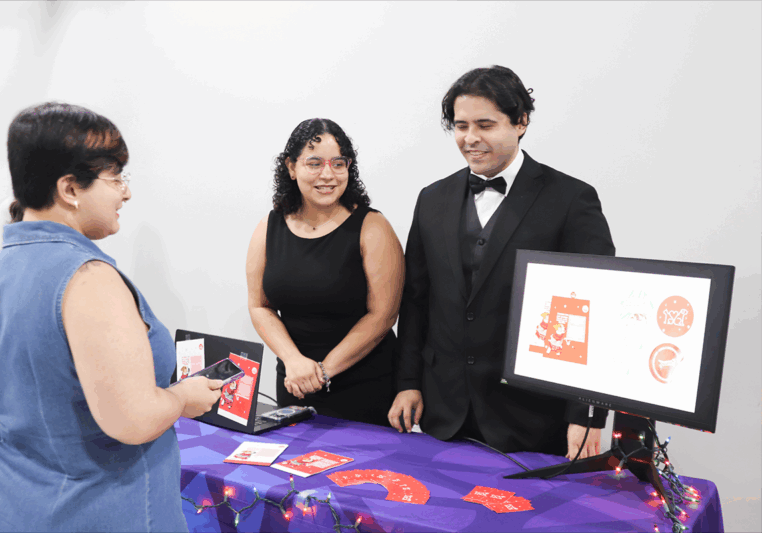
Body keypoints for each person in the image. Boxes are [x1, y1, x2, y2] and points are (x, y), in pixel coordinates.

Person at [0, 102, 223, 532]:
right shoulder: (88, 279)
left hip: (7, 505)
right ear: (70, 189)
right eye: (115, 177)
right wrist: (182, 397)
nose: (126, 193)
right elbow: (134, 421)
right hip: (96, 510)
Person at [388, 66, 615, 458]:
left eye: (485, 125)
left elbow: (595, 310)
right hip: (443, 409)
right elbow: (415, 300)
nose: (470, 138)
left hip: (533, 417)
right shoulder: (432, 199)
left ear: (521, 122)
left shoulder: (571, 200)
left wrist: (587, 414)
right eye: (461, 126)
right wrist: (407, 382)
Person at [246, 118, 405, 426]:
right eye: (314, 163)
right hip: (295, 382)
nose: (328, 174)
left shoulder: (372, 226)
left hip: (365, 386)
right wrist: (293, 361)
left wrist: (323, 371)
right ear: (291, 167)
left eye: (338, 163)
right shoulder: (269, 226)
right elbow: (259, 306)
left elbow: (383, 315)